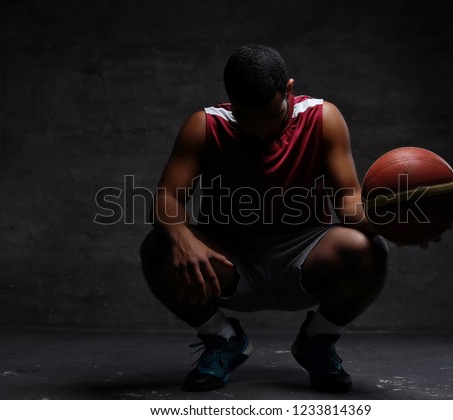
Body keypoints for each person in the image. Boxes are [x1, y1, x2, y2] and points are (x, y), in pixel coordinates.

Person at [140, 45, 388, 393]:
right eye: (247, 120)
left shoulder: (322, 118)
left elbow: (348, 199)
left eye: (270, 118)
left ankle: (317, 341)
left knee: (369, 248)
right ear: (230, 99)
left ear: (288, 89)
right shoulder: (205, 125)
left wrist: (395, 225)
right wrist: (183, 239)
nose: (258, 131)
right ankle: (223, 339)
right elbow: (166, 198)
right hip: (230, 259)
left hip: (306, 254)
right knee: (158, 247)